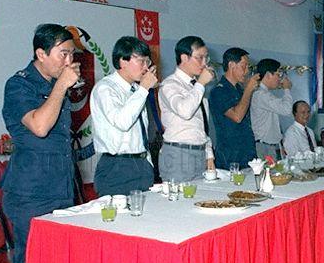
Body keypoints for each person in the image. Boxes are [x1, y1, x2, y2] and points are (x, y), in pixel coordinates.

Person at [0, 23, 80, 263]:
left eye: (72, 53)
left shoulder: (54, 82)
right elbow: (40, 127)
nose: (69, 59)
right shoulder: (18, 85)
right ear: (40, 53)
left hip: (60, 187)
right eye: (63, 53)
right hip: (30, 192)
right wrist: (62, 86)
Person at [90, 36, 158, 195]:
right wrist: (144, 88)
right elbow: (123, 122)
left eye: (148, 62)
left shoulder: (136, 90)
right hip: (116, 166)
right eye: (141, 61)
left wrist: (147, 162)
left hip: (142, 164)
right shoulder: (105, 88)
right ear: (122, 61)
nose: (146, 68)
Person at [158, 36, 215, 182]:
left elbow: (202, 124)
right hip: (178, 153)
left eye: (206, 58)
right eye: (199, 58)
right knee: (178, 203)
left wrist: (209, 155)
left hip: (200, 152)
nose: (204, 63)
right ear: (184, 57)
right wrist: (201, 83)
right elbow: (185, 111)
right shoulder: (169, 85)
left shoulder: (196, 86)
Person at [209, 47, 259, 169]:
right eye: (244, 66)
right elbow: (237, 117)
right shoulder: (219, 91)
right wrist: (248, 90)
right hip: (230, 154)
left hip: (246, 150)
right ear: (231, 65)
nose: (246, 71)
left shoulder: (239, 89)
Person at [251, 58, 293, 160]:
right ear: (268, 74)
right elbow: (286, 110)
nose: (279, 79)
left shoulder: (265, 94)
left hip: (270, 145)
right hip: (264, 147)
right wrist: (287, 89)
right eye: (278, 75)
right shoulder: (261, 95)